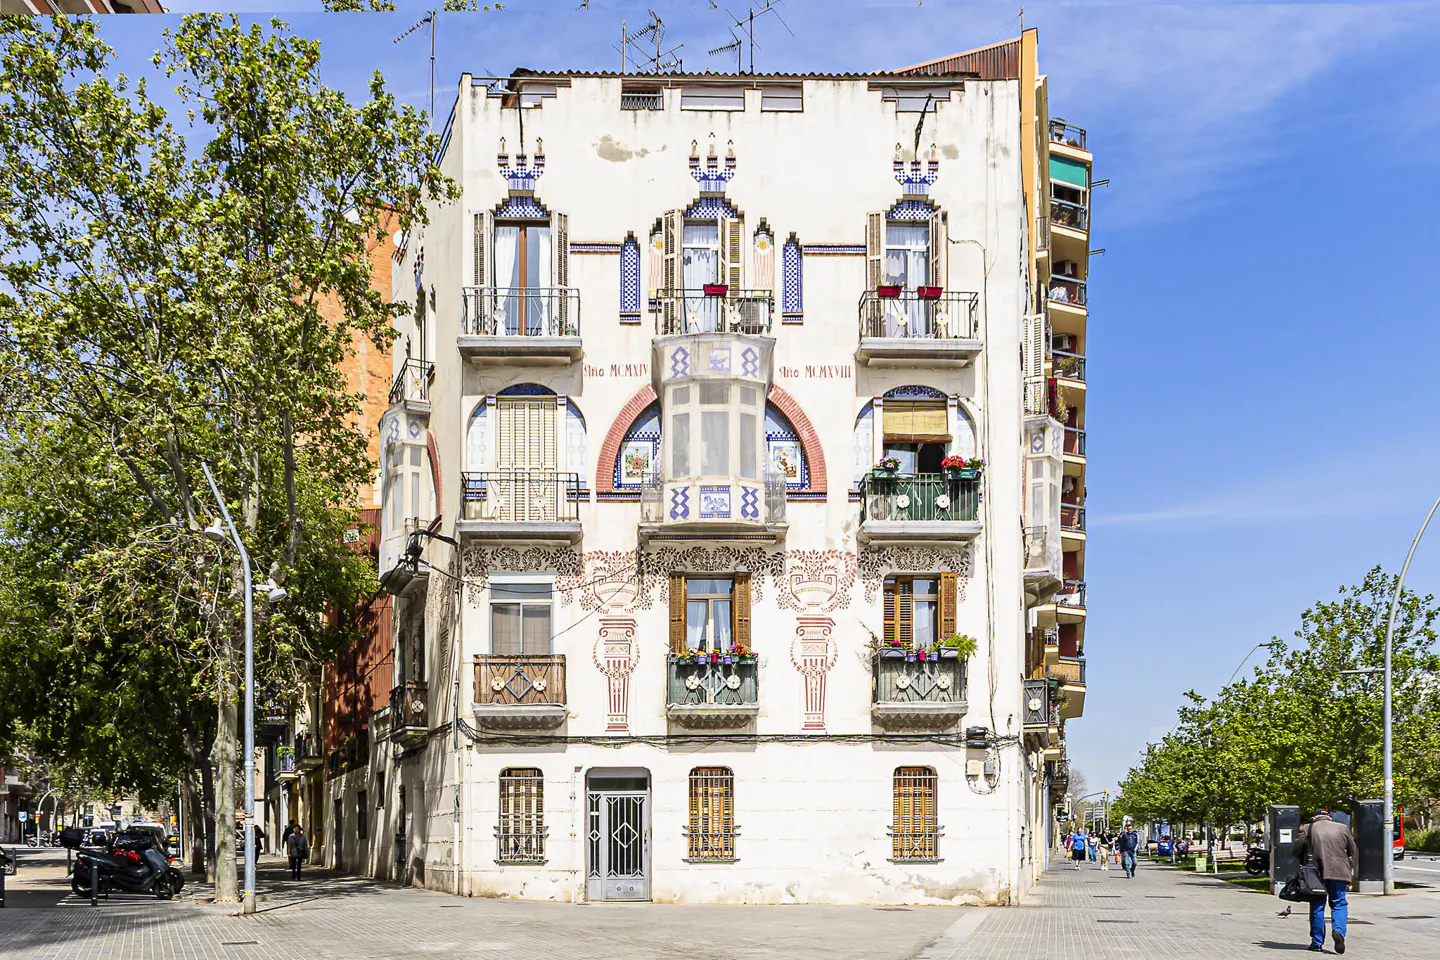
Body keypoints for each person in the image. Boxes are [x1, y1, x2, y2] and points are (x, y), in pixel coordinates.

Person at [1294, 809, 1358, 954]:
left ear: (1314, 817)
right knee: (1339, 903)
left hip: (1315, 873)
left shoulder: (1307, 828)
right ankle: (1339, 931)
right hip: (1339, 872)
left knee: (1317, 905)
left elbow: (1295, 850)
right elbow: (1352, 850)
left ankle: (1316, 943)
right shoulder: (1343, 828)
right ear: (1329, 817)